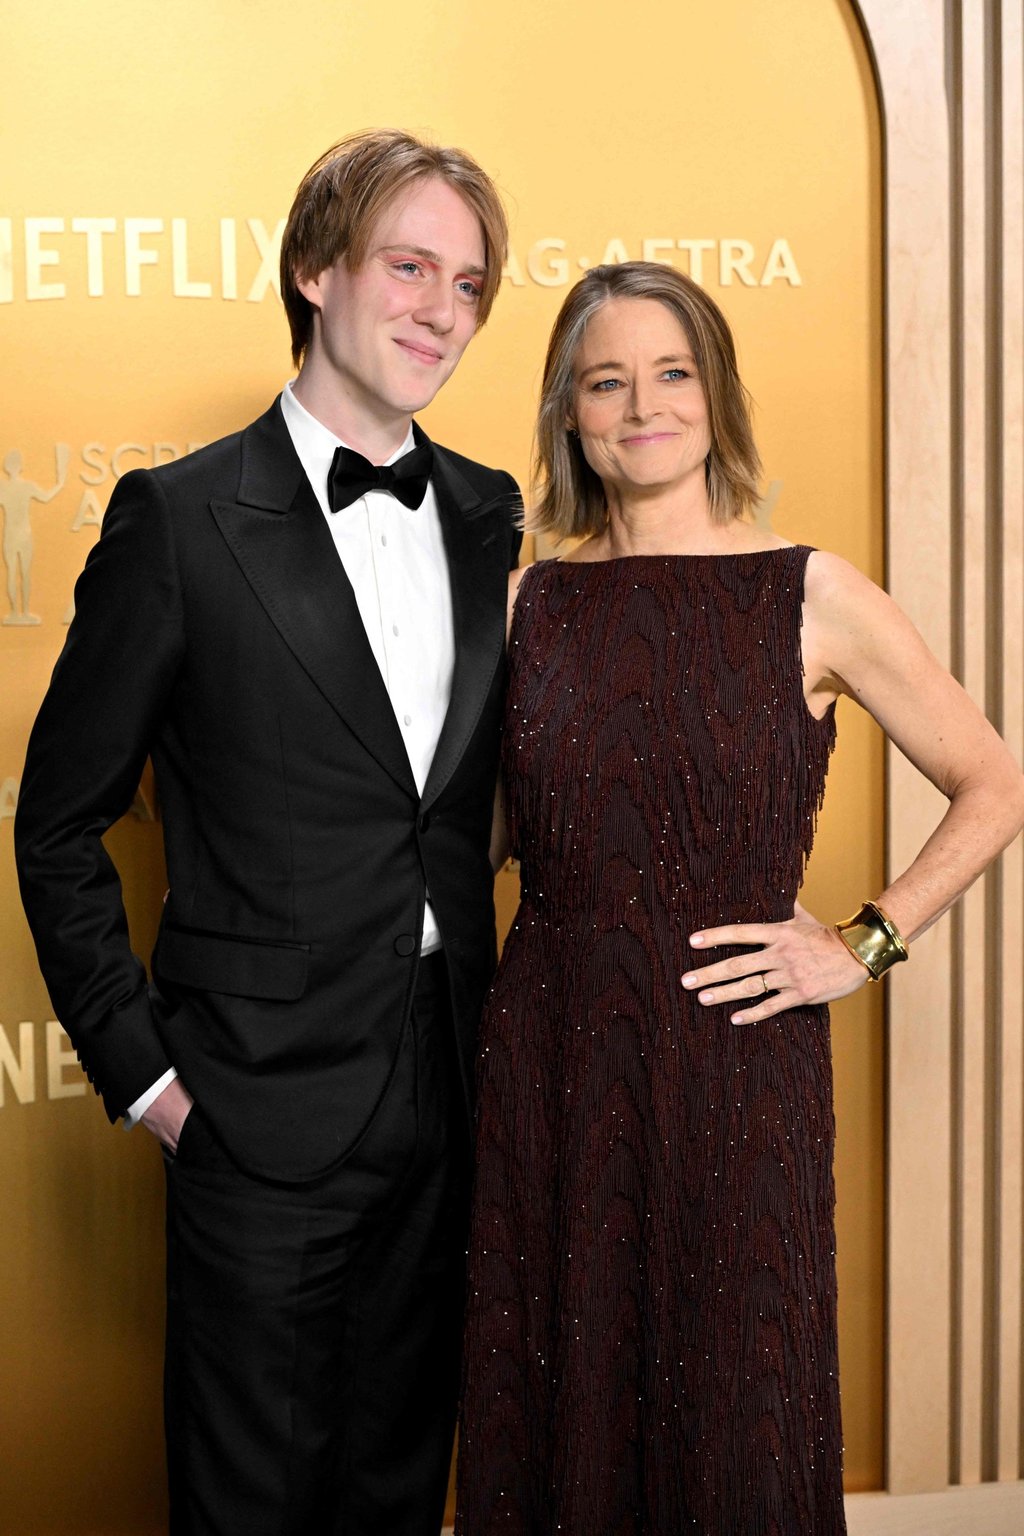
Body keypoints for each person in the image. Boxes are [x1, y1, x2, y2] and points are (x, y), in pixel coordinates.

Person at [456, 261, 1024, 1535]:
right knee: (553, 1391)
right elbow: (480, 838)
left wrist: (863, 942)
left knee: (737, 1401)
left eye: (671, 373)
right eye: (605, 380)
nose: (641, 404)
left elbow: (993, 783)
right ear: (567, 412)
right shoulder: (522, 603)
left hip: (737, 1057)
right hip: (546, 1052)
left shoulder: (810, 592)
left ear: (715, 396)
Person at [16, 129, 521, 1536]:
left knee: (397, 1491)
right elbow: (57, 823)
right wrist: (149, 1081)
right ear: (315, 269)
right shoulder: (177, 522)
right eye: (409, 265)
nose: (441, 310)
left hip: (450, 1094)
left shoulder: (490, 514)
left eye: (470, 284)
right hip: (251, 1109)